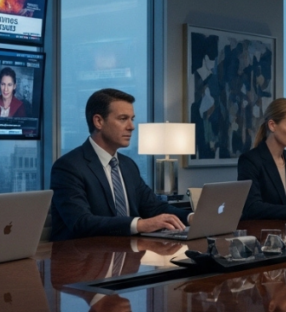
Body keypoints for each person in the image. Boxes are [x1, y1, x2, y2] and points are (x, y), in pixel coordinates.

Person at [49, 88, 191, 240]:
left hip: (128, 254)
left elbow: (155, 207)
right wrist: (140, 224)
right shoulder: (68, 167)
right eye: (123, 119)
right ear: (98, 121)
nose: (132, 126)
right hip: (83, 257)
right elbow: (81, 222)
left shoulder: (128, 165)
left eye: (132, 119)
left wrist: (192, 217)